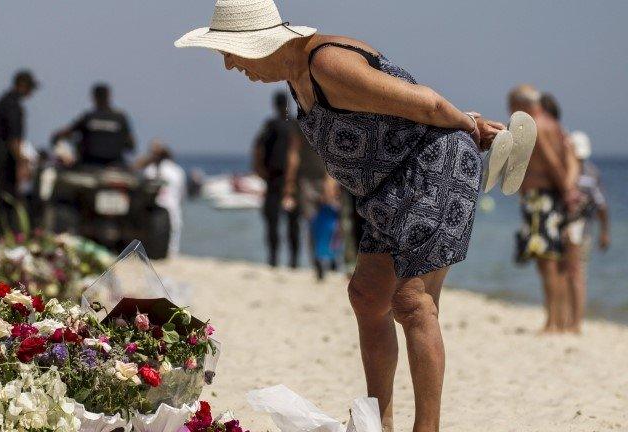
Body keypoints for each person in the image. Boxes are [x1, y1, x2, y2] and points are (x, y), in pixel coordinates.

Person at [174, 2, 512, 430]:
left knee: (412, 303)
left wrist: (471, 126)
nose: (227, 65)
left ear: (256, 44)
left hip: (433, 168)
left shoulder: (327, 62)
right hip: (387, 188)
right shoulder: (298, 77)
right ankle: (379, 420)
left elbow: (425, 104)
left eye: (229, 51)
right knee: (367, 296)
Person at [510, 85, 579, 333]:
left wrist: (567, 191)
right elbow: (569, 158)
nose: (510, 111)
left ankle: (552, 321)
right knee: (554, 260)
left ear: (523, 104)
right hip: (549, 197)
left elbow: (551, 161)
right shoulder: (554, 125)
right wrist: (568, 188)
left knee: (546, 261)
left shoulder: (536, 125)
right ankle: (559, 319)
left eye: (512, 105)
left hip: (542, 199)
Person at [564, 130, 610, 332]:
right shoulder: (590, 172)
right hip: (578, 231)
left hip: (579, 231)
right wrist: (604, 232)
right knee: (572, 275)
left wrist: (604, 233)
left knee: (575, 275)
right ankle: (571, 320)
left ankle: (576, 322)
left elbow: (601, 207)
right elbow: (602, 206)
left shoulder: (579, 174)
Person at [283, 93, 331, 278]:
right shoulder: (298, 124)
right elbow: (293, 154)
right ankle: (318, 261)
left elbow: (332, 153)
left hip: (327, 177)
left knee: (330, 223)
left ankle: (330, 260)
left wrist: (330, 181)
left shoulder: (327, 121)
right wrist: (290, 183)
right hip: (306, 180)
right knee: (312, 222)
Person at [252, 92, 302, 268]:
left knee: (274, 222)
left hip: (274, 179)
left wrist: (260, 171)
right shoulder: (295, 125)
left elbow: (257, 149)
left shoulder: (271, 125)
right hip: (292, 181)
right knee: (291, 224)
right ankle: (293, 262)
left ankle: (274, 260)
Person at [0, 69, 38, 242]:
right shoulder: (13, 106)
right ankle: (10, 235)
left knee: (2, 199)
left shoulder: (0, 102)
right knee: (11, 199)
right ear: (23, 86)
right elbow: (14, 140)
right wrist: (22, 163)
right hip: (7, 159)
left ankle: (3, 234)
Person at [50, 83, 135, 167]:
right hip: (116, 164)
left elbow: (65, 133)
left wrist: (56, 137)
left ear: (94, 97)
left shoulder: (88, 117)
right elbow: (131, 145)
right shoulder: (120, 118)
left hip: (89, 163)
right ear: (109, 96)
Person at [135, 140, 187, 256]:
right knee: (173, 243)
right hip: (173, 208)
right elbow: (182, 193)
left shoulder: (149, 170)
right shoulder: (177, 171)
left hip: (154, 209)